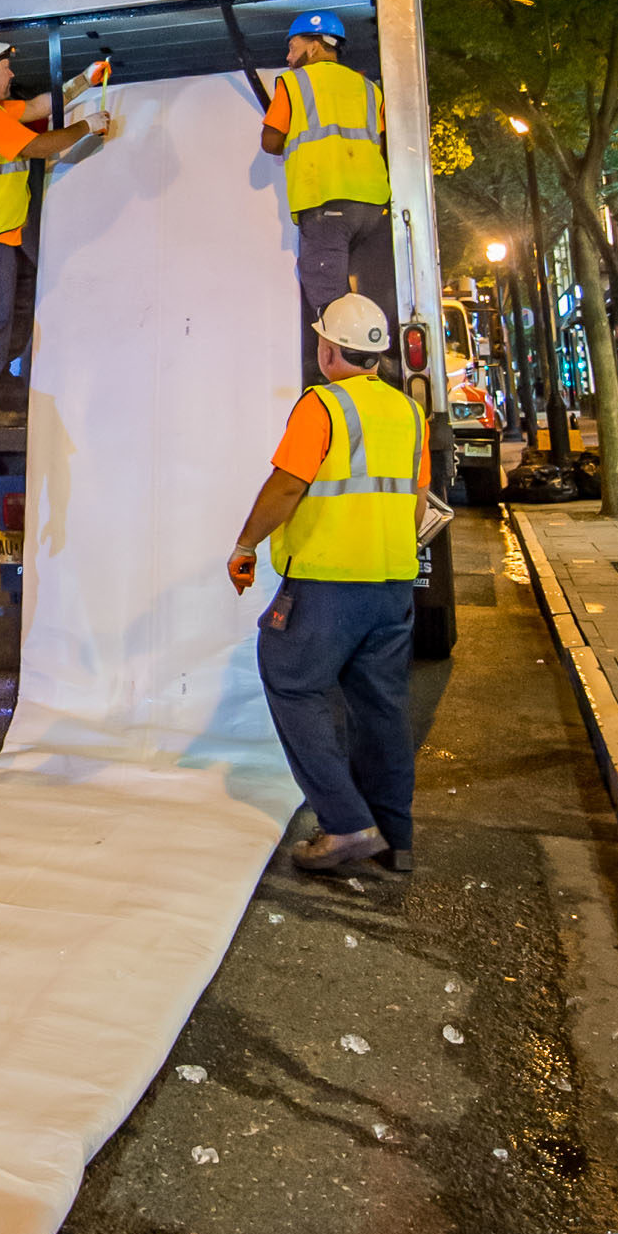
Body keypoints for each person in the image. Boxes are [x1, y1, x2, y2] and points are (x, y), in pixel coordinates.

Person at [227, 294, 429, 874]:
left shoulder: (322, 406)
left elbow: (288, 486)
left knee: (292, 682)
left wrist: (245, 546)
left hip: (325, 583)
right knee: (382, 705)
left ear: (327, 348)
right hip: (391, 583)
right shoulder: (409, 413)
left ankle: (345, 825)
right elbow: (415, 500)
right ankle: (397, 838)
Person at [0, 27, 109, 416]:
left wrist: (85, 80)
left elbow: (38, 107)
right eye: (4, 67)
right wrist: (88, 125)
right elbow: (37, 146)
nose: (11, 74)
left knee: (9, 312)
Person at [259, 10, 396, 361]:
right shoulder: (370, 89)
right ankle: (377, 364)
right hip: (374, 207)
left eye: (293, 47)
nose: (288, 57)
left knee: (330, 304)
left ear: (317, 46)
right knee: (369, 295)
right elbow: (379, 141)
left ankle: (342, 372)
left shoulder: (293, 83)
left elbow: (271, 142)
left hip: (327, 202)